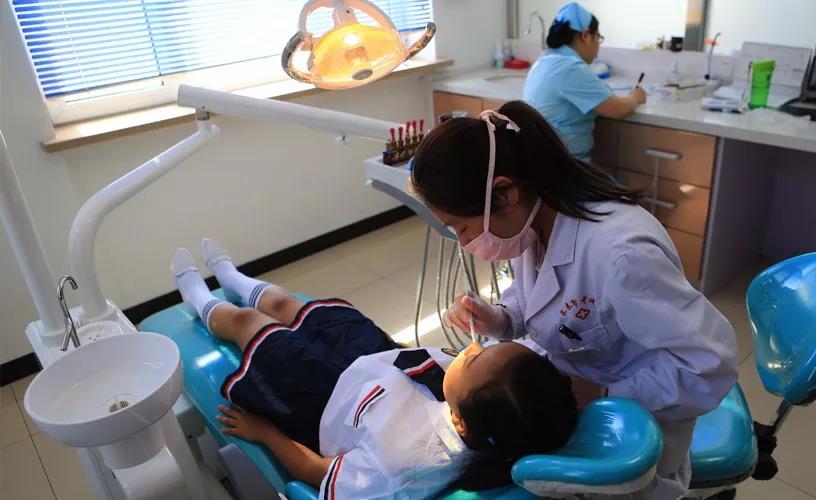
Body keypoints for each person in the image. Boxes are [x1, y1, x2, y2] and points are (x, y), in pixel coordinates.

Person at [410, 102, 739, 500]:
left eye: (462, 228)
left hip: (633, 430)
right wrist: (501, 318)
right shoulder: (535, 220)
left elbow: (709, 366)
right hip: (569, 401)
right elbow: (542, 298)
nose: (465, 243)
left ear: (504, 192)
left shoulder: (621, 255)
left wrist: (603, 394)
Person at [170, 239, 577, 498]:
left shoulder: (399, 465)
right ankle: (232, 276)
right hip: (375, 362)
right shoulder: (490, 397)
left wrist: (265, 432)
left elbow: (315, 471)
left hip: (323, 398)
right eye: (487, 347)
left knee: (251, 324)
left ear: (459, 420)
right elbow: (443, 369)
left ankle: (196, 297)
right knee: (286, 304)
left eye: (473, 358)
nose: (471, 347)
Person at [523, 2, 646, 162]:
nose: (597, 47)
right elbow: (619, 109)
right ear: (586, 35)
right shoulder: (571, 68)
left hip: (539, 161)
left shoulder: (544, 61)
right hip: (563, 165)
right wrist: (636, 97)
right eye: (598, 38)